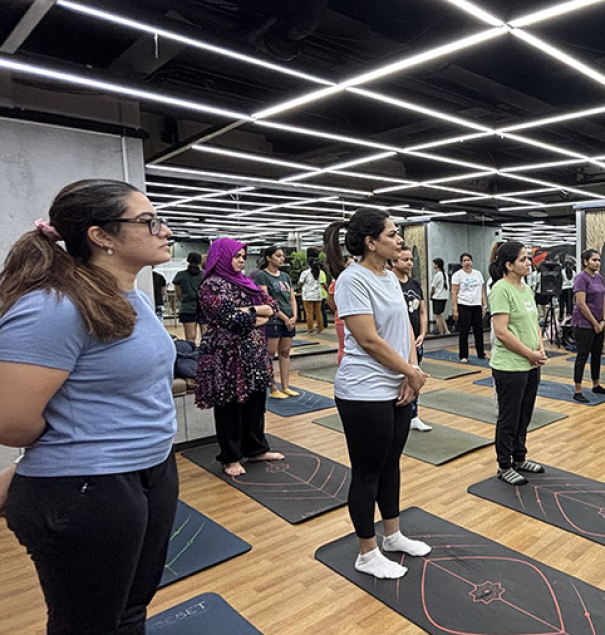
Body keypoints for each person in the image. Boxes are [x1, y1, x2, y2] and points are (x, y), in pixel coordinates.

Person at [0, 179, 179, 633]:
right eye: (148, 222)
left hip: (150, 468)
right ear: (101, 236)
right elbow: (10, 422)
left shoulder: (133, 297)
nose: (164, 230)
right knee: (88, 625)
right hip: (88, 487)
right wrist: (61, 451)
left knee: (131, 610)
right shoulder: (53, 307)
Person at [324, 208, 430, 581]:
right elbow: (368, 339)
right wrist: (410, 372)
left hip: (397, 385)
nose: (399, 240)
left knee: (391, 464)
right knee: (367, 472)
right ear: (371, 242)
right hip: (363, 391)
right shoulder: (353, 279)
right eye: (392, 234)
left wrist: (410, 372)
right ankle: (367, 553)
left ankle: (393, 535)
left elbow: (405, 330)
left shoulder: (389, 276)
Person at [196, 238, 285, 477]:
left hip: (253, 352)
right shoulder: (211, 285)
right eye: (236, 256)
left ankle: (256, 449)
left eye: (243, 257)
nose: (241, 261)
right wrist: (257, 313)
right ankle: (231, 457)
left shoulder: (246, 282)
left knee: (255, 402)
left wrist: (249, 311)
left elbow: (274, 307)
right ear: (222, 257)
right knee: (230, 405)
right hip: (226, 355)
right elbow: (230, 320)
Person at [489, 241, 547, 486]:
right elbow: (501, 332)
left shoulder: (526, 289)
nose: (529, 262)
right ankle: (504, 465)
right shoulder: (501, 289)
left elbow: (534, 323)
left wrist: (540, 348)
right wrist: (529, 353)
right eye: (523, 259)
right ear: (509, 265)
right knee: (509, 418)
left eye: (527, 258)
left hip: (531, 364)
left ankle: (520, 458)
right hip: (510, 366)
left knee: (524, 415)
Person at [392, 248, 431, 432]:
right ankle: (398, 414)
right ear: (394, 262)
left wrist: (422, 334)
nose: (409, 263)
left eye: (410, 259)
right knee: (398, 379)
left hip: (415, 341)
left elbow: (422, 311)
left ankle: (414, 415)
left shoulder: (415, 284)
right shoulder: (390, 283)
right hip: (398, 342)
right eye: (405, 259)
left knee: (415, 377)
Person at [255, 245, 299, 399]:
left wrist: (294, 316)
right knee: (270, 353)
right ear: (268, 258)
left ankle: (286, 386)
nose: (282, 258)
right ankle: (272, 387)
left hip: (288, 319)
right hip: (274, 320)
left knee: (285, 353)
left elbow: (292, 298)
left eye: (282, 256)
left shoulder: (285, 277)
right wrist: (284, 317)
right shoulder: (262, 276)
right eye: (278, 256)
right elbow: (267, 300)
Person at [571, 249, 605, 403]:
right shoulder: (581, 278)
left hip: (599, 323)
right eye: (594, 260)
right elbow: (581, 304)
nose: (597, 263)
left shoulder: (599, 278)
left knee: (597, 354)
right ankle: (578, 390)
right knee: (582, 355)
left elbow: (603, 299)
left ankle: (596, 384)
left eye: (598, 260)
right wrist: (594, 323)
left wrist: (603, 320)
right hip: (584, 323)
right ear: (586, 262)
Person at [452, 253, 487, 362]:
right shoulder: (457, 275)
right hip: (464, 305)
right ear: (461, 263)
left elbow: (482, 291)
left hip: (476, 305)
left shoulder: (478, 274)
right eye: (464, 260)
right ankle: (463, 355)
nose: (467, 262)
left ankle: (481, 352)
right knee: (464, 331)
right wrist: (455, 309)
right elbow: (454, 293)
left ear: (471, 261)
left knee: (478, 330)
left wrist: (484, 305)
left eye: (468, 260)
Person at [325, 254, 355, 365]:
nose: (353, 267)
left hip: (356, 319)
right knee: (343, 347)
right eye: (349, 264)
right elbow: (332, 303)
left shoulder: (357, 281)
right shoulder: (336, 283)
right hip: (342, 320)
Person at [173, 252, 204, 343]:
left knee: (190, 337)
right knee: (206, 336)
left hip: (187, 308)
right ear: (200, 261)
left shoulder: (180, 275)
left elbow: (178, 294)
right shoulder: (205, 275)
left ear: (187, 260)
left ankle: (191, 351)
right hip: (204, 308)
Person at [299, 259, 324, 333]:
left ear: (308, 264)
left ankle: (310, 329)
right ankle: (320, 328)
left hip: (308, 295)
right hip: (317, 295)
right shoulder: (319, 272)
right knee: (318, 312)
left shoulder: (305, 272)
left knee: (309, 313)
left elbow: (300, 282)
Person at [430, 258, 450, 335]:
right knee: (440, 315)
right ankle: (447, 331)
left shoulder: (437, 275)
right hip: (444, 297)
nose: (433, 265)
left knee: (437, 316)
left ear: (437, 265)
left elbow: (433, 288)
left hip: (437, 297)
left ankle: (441, 332)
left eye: (434, 264)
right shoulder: (445, 274)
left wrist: (431, 296)